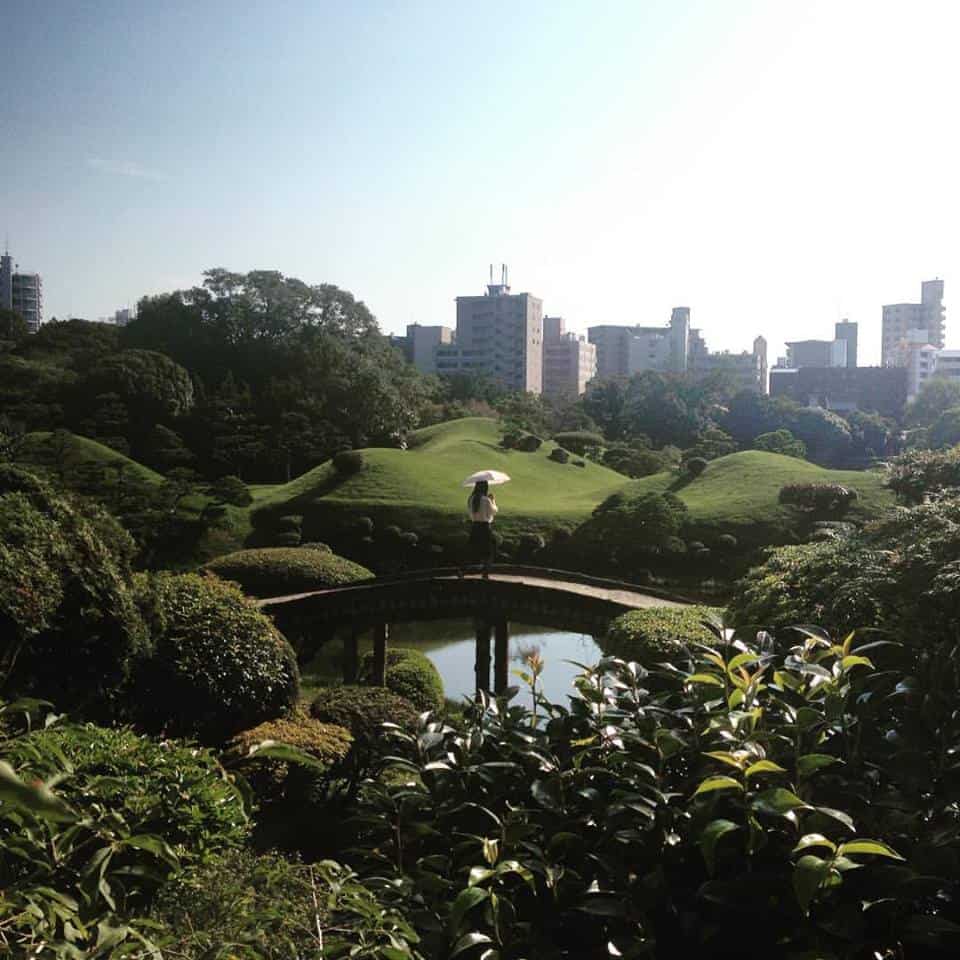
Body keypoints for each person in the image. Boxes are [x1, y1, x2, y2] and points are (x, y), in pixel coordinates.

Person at [467, 480, 498, 572]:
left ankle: (470, 568)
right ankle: (486, 570)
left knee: (474, 548)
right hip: (484, 527)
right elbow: (493, 511)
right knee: (489, 549)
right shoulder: (486, 500)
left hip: (475, 526)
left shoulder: (471, 499)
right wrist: (493, 501)